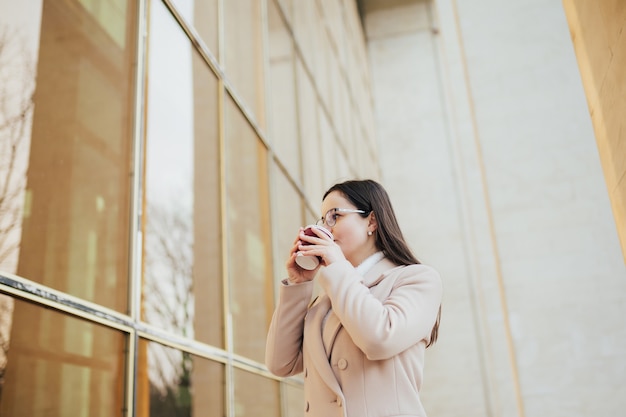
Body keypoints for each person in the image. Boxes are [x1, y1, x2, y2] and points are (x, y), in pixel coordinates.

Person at [265, 179, 442, 417]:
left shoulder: (417, 279)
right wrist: (299, 283)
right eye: (323, 220)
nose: (326, 229)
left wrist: (336, 264)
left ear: (371, 220)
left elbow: (379, 338)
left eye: (335, 216)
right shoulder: (326, 302)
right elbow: (280, 364)